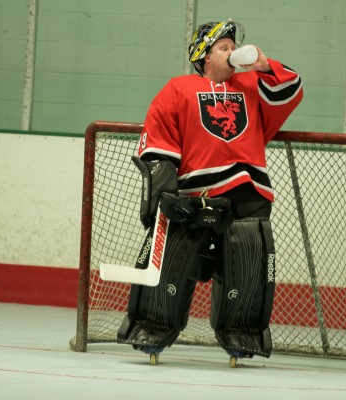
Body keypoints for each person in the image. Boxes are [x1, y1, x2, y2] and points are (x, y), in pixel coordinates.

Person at [117, 19, 303, 366]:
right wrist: (163, 194)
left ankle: (242, 333)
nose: (232, 52)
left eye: (234, 46)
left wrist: (264, 65)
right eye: (224, 47)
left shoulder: (251, 84)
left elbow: (291, 88)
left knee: (249, 260)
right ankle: (152, 326)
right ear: (203, 56)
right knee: (172, 258)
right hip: (194, 193)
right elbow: (159, 141)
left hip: (247, 191)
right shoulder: (178, 88)